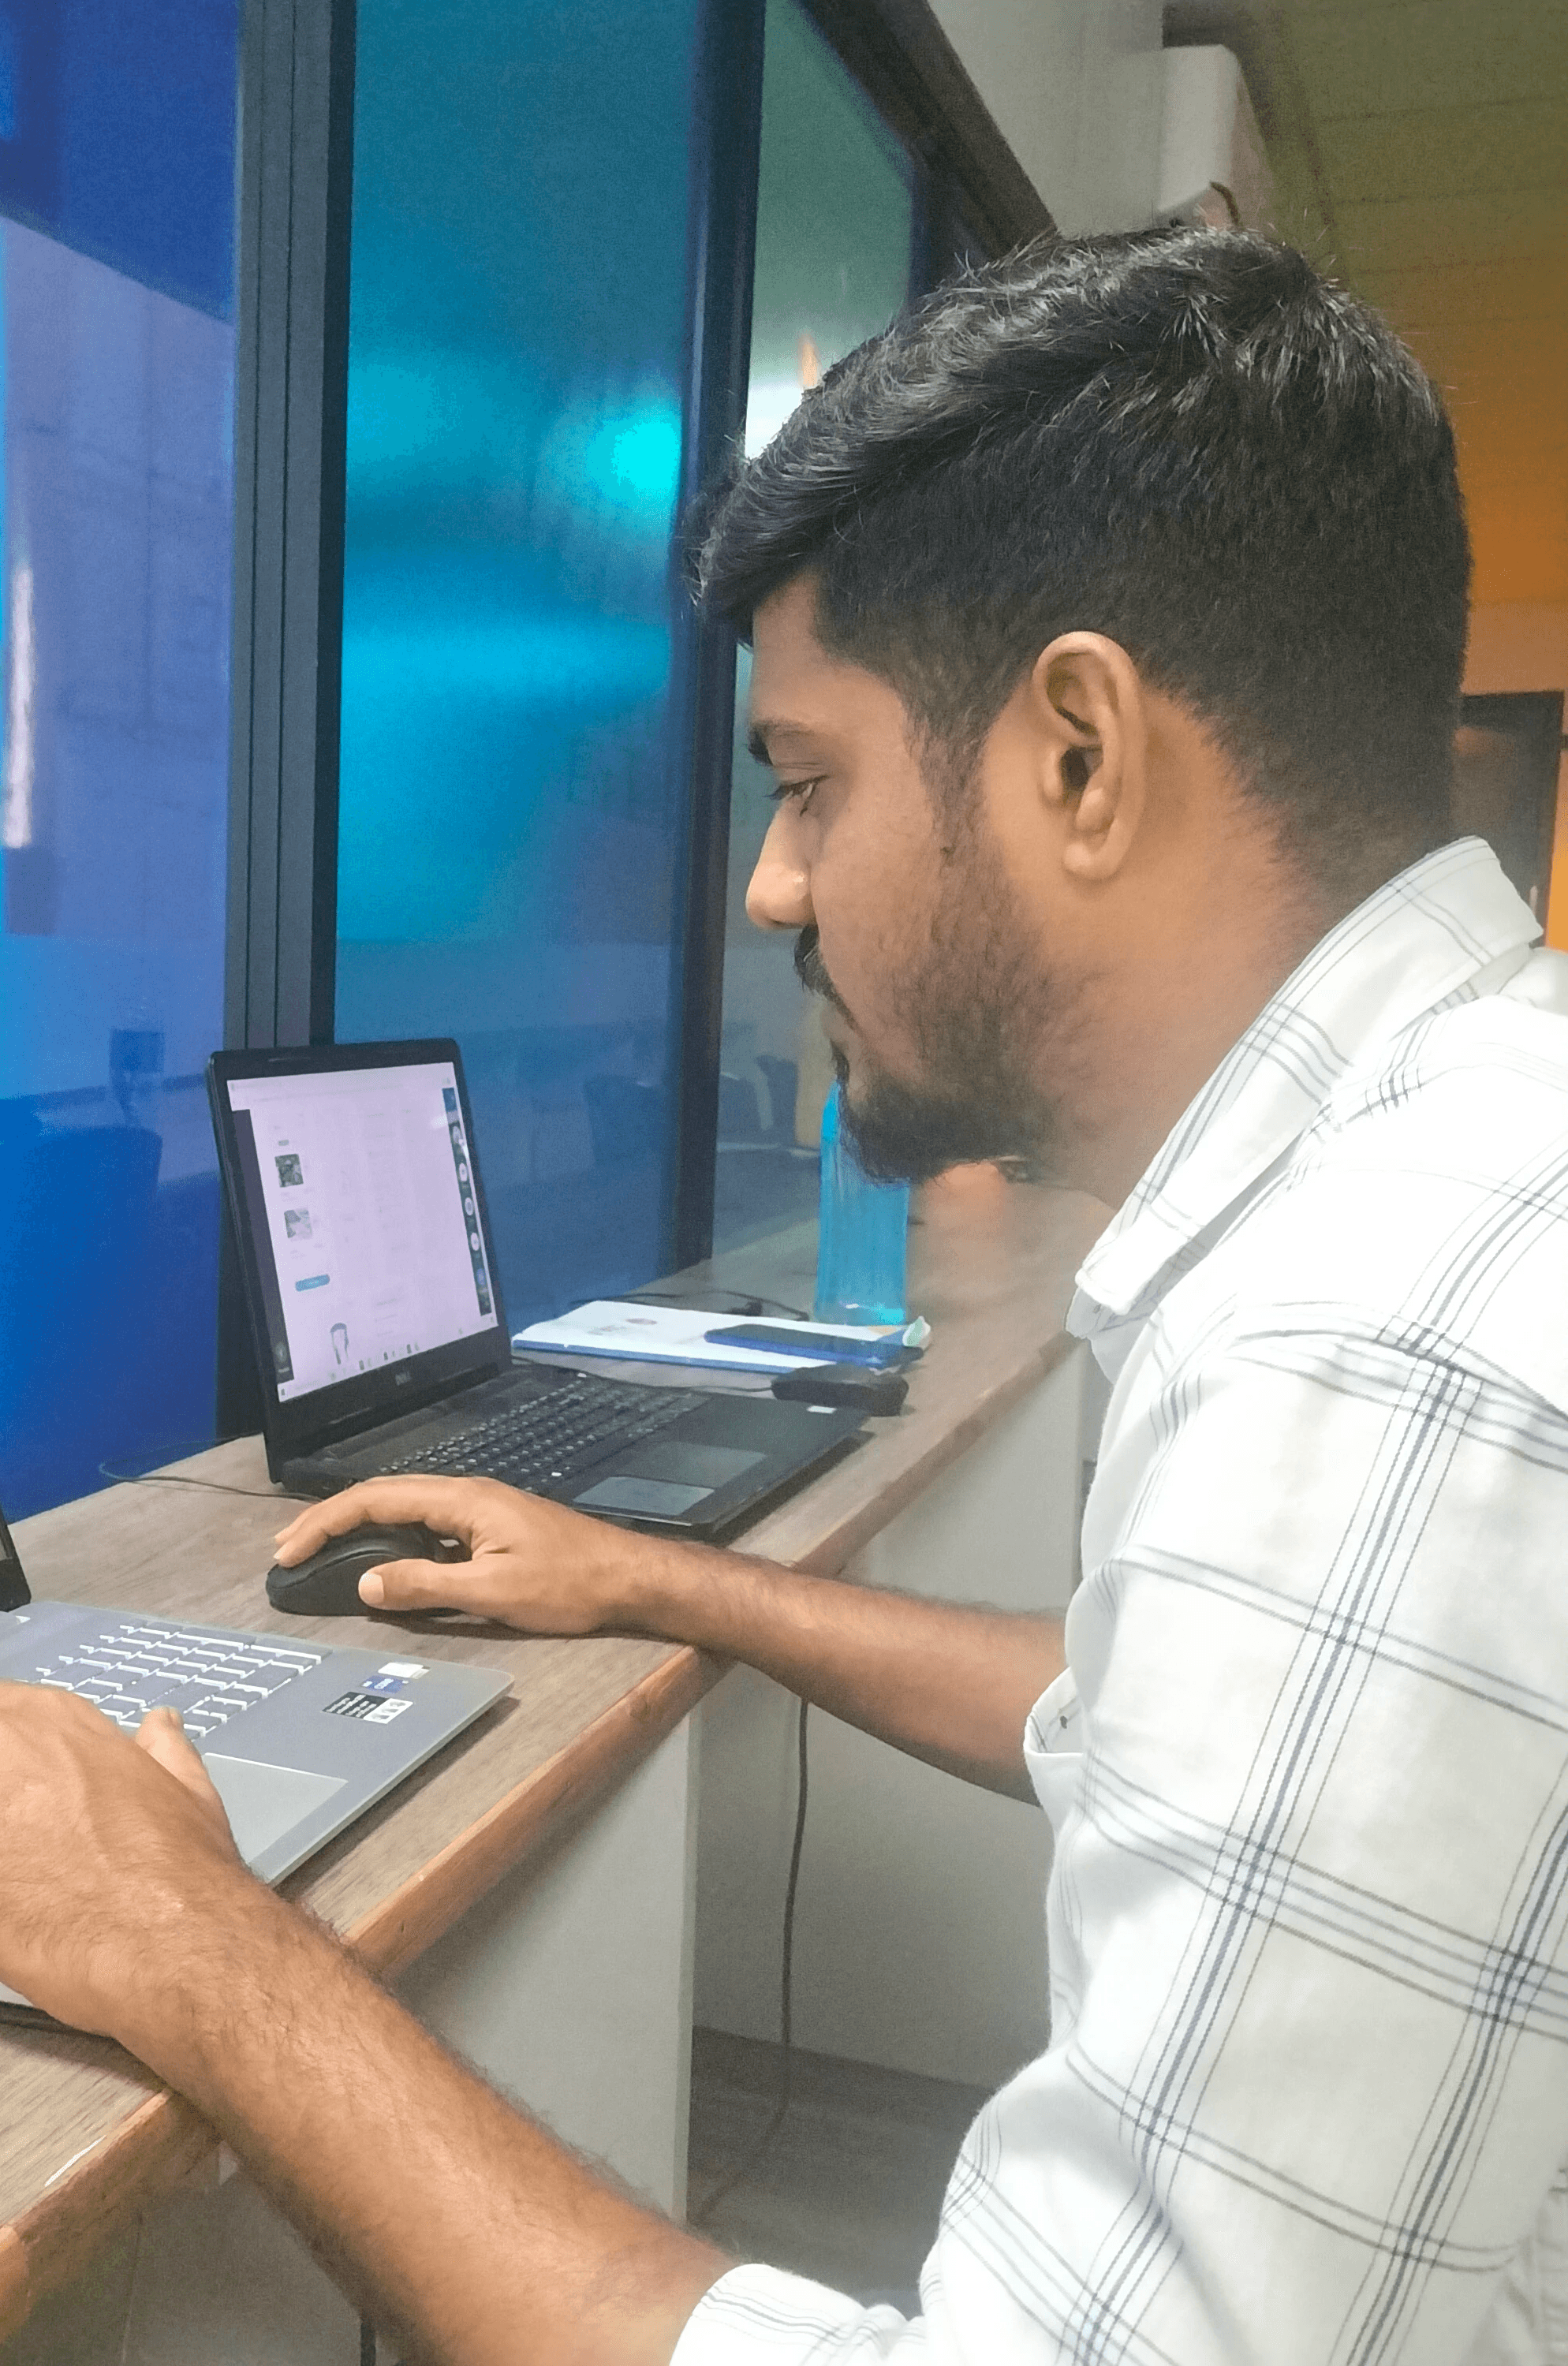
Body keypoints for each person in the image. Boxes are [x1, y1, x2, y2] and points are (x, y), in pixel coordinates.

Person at [3, 226, 1566, 2366]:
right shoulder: (1465, 1155)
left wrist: (184, 1939)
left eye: (811, 781)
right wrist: (662, 1585)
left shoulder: (1369, 1336)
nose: (766, 884)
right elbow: (1136, 1705)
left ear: (1079, 757)